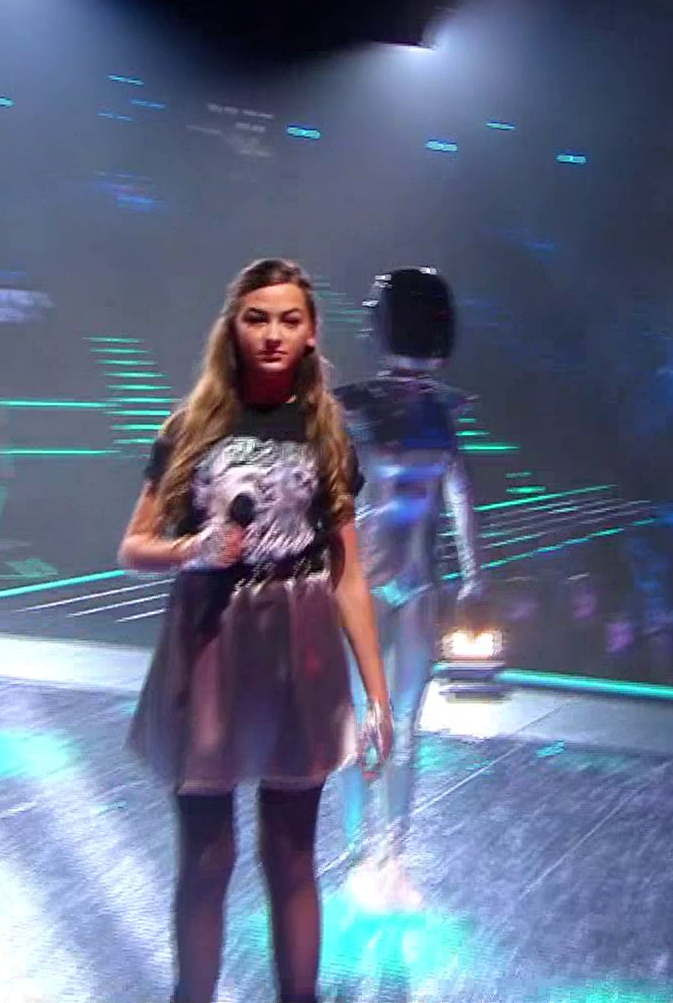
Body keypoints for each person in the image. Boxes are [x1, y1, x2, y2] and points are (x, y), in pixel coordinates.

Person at [121, 257, 394, 1003]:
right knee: (206, 857)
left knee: (291, 854)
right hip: (210, 637)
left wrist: (377, 694)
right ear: (233, 328)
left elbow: (349, 575)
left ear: (311, 333)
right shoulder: (190, 426)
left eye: (289, 320)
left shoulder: (327, 430)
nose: (273, 334)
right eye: (258, 318)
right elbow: (133, 546)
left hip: (297, 642)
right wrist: (193, 549)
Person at [331, 266, 487, 910]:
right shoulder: (355, 409)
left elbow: (460, 499)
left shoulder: (439, 416)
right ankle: (356, 850)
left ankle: (390, 852)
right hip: (365, 587)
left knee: (403, 724)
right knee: (358, 721)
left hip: (414, 586)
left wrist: (475, 577)